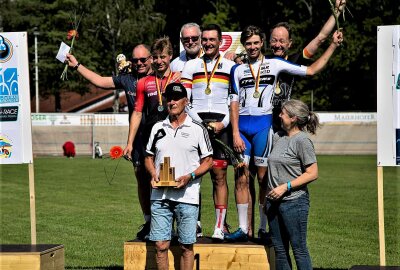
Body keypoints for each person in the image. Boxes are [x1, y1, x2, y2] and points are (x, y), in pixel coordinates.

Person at [228, 25, 343, 241]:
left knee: (263, 179)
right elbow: (233, 103)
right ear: (244, 45)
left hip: (264, 127)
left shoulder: (275, 64)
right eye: (248, 44)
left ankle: (262, 228)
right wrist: (234, 132)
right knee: (240, 178)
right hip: (242, 129)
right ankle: (243, 229)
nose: (252, 47)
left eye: (256, 43)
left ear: (262, 43)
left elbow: (311, 70)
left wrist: (333, 46)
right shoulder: (237, 69)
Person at [66, 44, 153, 240]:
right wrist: (77, 65)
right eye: (135, 60)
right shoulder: (127, 79)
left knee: (158, 180)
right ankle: (149, 222)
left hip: (159, 136)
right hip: (138, 138)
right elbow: (99, 81)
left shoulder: (160, 76)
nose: (139, 63)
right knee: (141, 178)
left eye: (143, 60)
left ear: (151, 59)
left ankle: (164, 223)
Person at [145, 82, 213, 270]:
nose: (172, 102)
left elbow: (208, 161)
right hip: (160, 196)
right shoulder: (158, 127)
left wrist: (190, 176)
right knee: (160, 246)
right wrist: (152, 173)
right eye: (169, 98)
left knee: (186, 247)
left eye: (176, 98)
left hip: (188, 197)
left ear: (186, 101)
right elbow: (148, 157)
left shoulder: (198, 128)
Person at [181, 24, 236, 240]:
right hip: (197, 125)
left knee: (219, 175)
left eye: (212, 39)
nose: (208, 43)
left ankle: (220, 226)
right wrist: (200, 124)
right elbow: (185, 101)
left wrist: (225, 123)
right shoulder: (191, 66)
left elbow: (235, 100)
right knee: (195, 176)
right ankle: (194, 224)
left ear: (220, 41)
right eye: (205, 39)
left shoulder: (231, 66)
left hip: (222, 124)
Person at [270, 0, 346, 131]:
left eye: (282, 41)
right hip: (261, 119)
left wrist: (337, 11)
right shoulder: (262, 59)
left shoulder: (294, 59)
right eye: (274, 40)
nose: (277, 45)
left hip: (283, 120)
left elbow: (320, 38)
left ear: (290, 43)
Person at [265, 99, 320, 270]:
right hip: (273, 203)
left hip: (294, 202)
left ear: (293, 118)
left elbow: (313, 173)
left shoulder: (302, 140)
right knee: (280, 251)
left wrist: (285, 187)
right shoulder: (278, 136)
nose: (280, 115)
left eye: (283, 113)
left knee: (299, 250)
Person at [123, 36, 180, 187]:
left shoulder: (179, 79)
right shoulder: (144, 82)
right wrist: (129, 143)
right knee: (152, 179)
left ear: (170, 56)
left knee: (174, 178)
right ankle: (150, 212)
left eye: (163, 57)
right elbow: (137, 113)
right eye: (155, 57)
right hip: (152, 136)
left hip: (175, 135)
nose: (159, 61)